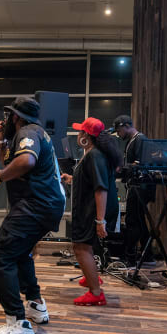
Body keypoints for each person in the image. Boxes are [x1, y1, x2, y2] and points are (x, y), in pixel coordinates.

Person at [0, 97, 65, 334]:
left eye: (9, 116)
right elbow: (11, 160)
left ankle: (17, 322)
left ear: (17, 117)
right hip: (44, 205)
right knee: (19, 253)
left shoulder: (28, 132)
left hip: (35, 205)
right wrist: (0, 139)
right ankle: (35, 305)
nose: (6, 120)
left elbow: (26, 161)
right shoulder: (33, 132)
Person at [65, 117, 121, 307]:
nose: (78, 135)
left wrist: (100, 220)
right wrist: (72, 179)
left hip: (92, 210)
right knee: (84, 246)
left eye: (81, 132)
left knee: (80, 247)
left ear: (87, 137)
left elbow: (100, 189)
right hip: (90, 208)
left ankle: (96, 292)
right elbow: (90, 181)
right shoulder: (92, 153)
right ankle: (92, 278)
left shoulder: (94, 155)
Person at [113, 115, 154, 266]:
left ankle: (129, 257)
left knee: (132, 220)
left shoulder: (140, 139)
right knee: (140, 220)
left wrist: (121, 169)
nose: (118, 134)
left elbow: (141, 164)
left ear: (126, 126)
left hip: (141, 186)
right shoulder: (132, 141)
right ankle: (148, 256)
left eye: (119, 130)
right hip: (137, 185)